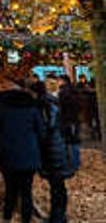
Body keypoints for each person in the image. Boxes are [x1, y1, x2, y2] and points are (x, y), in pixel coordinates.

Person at [0, 77, 43, 223]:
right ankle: (26, 219)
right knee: (26, 191)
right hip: (29, 154)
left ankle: (7, 218)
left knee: (10, 189)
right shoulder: (31, 103)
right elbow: (41, 131)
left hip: (8, 153)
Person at [29, 81, 75, 223]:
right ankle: (59, 215)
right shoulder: (52, 103)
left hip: (52, 149)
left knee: (56, 186)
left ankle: (58, 216)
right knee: (58, 185)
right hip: (58, 147)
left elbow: (47, 128)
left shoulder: (43, 106)